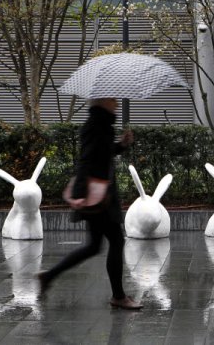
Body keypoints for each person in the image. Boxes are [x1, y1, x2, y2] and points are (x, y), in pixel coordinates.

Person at [37, 98, 141, 310]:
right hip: (97, 195)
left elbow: (103, 153)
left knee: (94, 246)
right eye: (113, 100)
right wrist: (78, 194)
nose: (117, 104)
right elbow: (85, 160)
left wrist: (121, 145)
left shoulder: (102, 124)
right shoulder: (95, 125)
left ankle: (48, 276)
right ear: (102, 101)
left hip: (101, 193)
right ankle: (118, 296)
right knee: (116, 241)